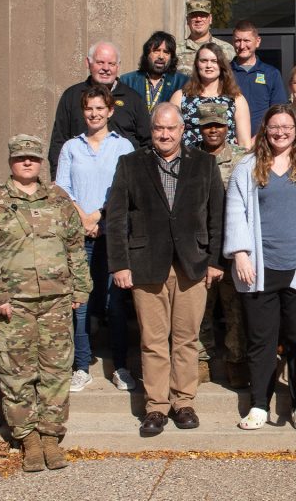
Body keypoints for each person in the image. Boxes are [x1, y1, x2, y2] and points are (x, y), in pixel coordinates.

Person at [0, 134, 91, 472]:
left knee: (55, 370)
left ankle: (50, 436)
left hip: (55, 301)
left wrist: (81, 288)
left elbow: (75, 247)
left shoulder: (59, 200)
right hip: (14, 305)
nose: (27, 163)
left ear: (41, 164)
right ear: (11, 161)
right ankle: (28, 439)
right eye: (20, 157)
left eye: (33, 159)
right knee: (15, 372)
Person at [106, 102, 225, 436]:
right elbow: (115, 220)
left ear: (182, 130)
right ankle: (156, 407)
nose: (164, 134)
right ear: (152, 129)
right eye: (159, 128)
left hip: (193, 265)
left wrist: (215, 260)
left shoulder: (205, 163)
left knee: (187, 339)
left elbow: (217, 215)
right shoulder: (130, 164)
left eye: (171, 128)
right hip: (146, 264)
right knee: (153, 340)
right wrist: (119, 264)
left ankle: (183, 402)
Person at [223, 104, 296, 431]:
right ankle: (259, 404)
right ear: (265, 129)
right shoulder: (247, 166)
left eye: (287, 127)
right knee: (261, 342)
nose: (280, 132)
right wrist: (241, 254)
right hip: (260, 269)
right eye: (274, 126)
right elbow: (236, 214)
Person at [55, 84, 136, 393]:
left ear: (110, 111)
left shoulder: (123, 147)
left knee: (115, 303)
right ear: (83, 111)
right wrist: (83, 217)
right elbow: (62, 188)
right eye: (89, 108)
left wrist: (99, 217)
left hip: (113, 234)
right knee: (80, 302)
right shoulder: (71, 147)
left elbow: (123, 190)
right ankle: (81, 365)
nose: (94, 113)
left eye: (100, 108)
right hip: (79, 235)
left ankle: (120, 366)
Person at [196, 103, 250, 389]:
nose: (213, 130)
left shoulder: (242, 158)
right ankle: (200, 360)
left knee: (234, 308)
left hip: (233, 244)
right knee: (201, 306)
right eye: (207, 125)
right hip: (201, 245)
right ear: (200, 128)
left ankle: (236, 361)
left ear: (227, 127)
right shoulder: (191, 157)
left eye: (218, 125)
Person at [48, 41, 150, 177]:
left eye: (111, 64)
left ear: (118, 66)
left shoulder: (133, 99)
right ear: (88, 63)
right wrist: (57, 178)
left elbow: (147, 142)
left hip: (124, 180)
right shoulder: (72, 96)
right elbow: (59, 140)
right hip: (81, 180)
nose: (106, 68)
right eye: (100, 62)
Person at [172, 43, 252, 149]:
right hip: (189, 161)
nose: (209, 65)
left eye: (214, 61)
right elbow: (171, 135)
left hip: (226, 162)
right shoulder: (180, 96)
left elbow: (245, 144)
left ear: (221, 65)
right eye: (204, 61)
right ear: (197, 64)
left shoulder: (236, 98)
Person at [231, 20, 288, 132]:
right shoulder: (224, 73)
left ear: (257, 41)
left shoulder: (271, 73)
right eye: (238, 41)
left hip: (263, 141)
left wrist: (259, 137)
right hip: (231, 141)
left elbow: (278, 112)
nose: (242, 46)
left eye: (247, 40)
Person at [120, 31, 189, 114]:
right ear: (147, 54)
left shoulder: (183, 83)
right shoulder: (128, 81)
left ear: (171, 57)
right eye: (156, 51)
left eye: (166, 52)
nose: (161, 56)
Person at [176, 0, 236, 78]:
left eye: (203, 15)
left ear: (210, 19)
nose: (198, 19)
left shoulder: (226, 49)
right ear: (187, 20)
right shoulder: (175, 50)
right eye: (194, 16)